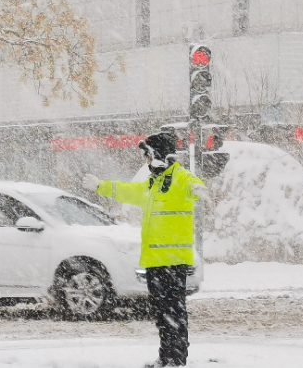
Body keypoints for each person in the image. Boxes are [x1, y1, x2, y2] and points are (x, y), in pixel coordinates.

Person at [81, 132, 210, 368]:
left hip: (172, 261)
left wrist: (198, 189)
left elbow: (192, 182)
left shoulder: (178, 177)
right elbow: (128, 191)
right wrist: (101, 186)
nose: (146, 161)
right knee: (163, 316)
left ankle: (177, 360)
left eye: (147, 156)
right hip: (154, 262)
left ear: (156, 154)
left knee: (174, 315)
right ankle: (166, 357)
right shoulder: (154, 184)